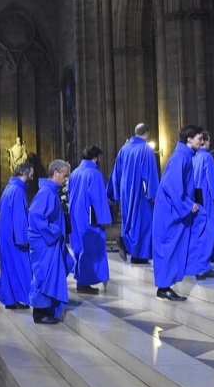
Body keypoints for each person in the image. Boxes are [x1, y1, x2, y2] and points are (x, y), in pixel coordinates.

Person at [151, 126, 203, 302]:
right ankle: (164, 288)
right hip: (171, 210)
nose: (202, 142)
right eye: (199, 138)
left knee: (174, 245)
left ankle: (167, 285)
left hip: (174, 208)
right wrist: (187, 205)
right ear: (189, 139)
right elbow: (171, 185)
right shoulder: (181, 157)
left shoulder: (184, 156)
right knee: (169, 246)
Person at [27, 159, 72, 324]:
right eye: (65, 176)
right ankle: (39, 314)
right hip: (45, 243)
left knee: (51, 275)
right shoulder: (46, 192)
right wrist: (55, 231)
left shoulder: (51, 190)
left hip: (50, 242)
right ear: (55, 173)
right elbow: (36, 215)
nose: (66, 179)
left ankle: (47, 309)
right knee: (44, 277)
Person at [107, 123, 160, 265]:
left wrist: (111, 194)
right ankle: (138, 253)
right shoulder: (146, 149)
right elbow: (150, 173)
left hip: (125, 191)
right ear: (147, 134)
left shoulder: (123, 149)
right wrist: (154, 194)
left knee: (129, 220)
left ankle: (131, 248)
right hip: (140, 191)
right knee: (143, 222)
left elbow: (116, 173)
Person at [67, 146, 113, 294]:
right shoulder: (94, 174)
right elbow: (97, 198)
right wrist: (104, 219)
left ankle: (81, 279)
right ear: (95, 158)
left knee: (79, 247)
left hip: (76, 217)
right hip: (89, 218)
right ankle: (84, 282)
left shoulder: (74, 173)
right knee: (90, 249)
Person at [0, 162, 34, 309]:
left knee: (9, 268)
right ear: (24, 173)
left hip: (4, 235)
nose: (32, 177)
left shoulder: (9, 188)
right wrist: (23, 239)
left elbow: (0, 208)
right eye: (31, 174)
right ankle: (21, 298)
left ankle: (10, 299)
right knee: (21, 268)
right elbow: (19, 217)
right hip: (14, 238)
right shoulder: (18, 190)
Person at [189, 132, 214, 280]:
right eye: (209, 141)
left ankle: (201, 265)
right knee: (211, 230)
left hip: (196, 198)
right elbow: (211, 178)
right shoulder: (207, 157)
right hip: (206, 196)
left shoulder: (193, 157)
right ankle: (204, 266)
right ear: (205, 141)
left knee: (200, 231)